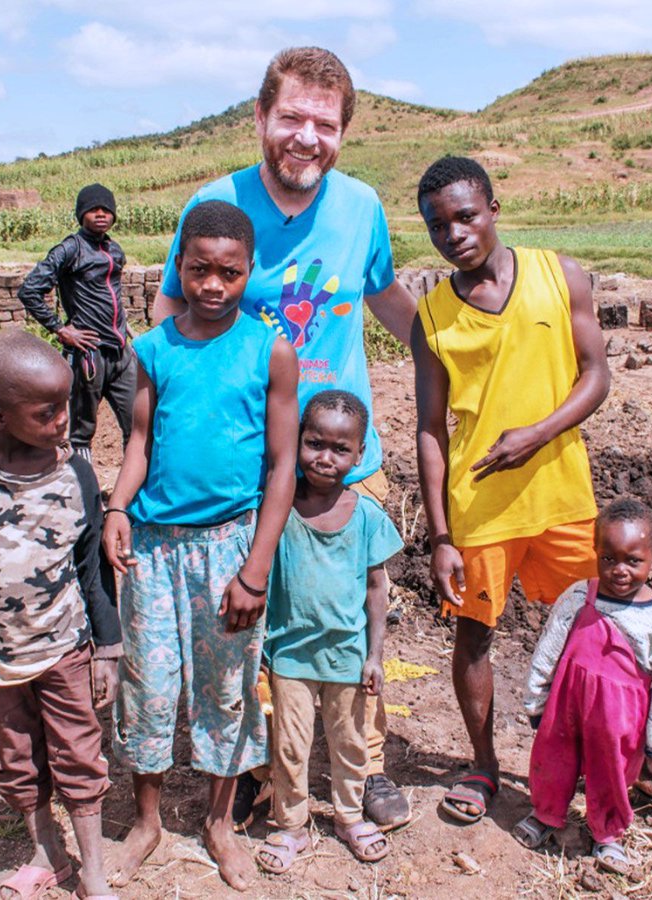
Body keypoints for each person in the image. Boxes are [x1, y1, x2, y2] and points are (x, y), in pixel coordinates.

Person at [152, 45, 418, 832]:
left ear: (344, 133)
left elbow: (386, 298)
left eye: (325, 124)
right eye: (293, 117)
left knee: (350, 614)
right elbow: (170, 315)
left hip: (345, 459)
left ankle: (363, 764)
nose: (308, 137)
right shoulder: (215, 204)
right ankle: (262, 767)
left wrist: (454, 357)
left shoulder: (361, 206)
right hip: (250, 461)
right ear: (260, 116)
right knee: (256, 619)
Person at [101, 200, 299, 892]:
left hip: (229, 548)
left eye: (229, 273)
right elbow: (139, 441)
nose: (213, 285)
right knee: (149, 687)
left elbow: (282, 466)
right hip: (154, 550)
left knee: (226, 687)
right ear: (179, 266)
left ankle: (219, 822)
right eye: (199, 270)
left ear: (250, 270)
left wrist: (256, 567)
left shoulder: (270, 351)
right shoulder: (154, 348)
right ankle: (146, 821)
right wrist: (118, 506)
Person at [412, 155, 611, 824]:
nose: (454, 233)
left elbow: (596, 375)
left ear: (493, 210)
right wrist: (441, 536)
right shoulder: (432, 317)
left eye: (466, 216)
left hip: (563, 495)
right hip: (481, 506)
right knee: (474, 636)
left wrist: (538, 432)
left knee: (595, 630)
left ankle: (603, 755)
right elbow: (430, 430)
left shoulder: (561, 276)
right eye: (438, 225)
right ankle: (483, 765)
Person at [0, 328, 120, 900]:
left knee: (80, 753)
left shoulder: (76, 473)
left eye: (66, 405)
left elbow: (91, 568)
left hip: (65, 646)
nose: (63, 421)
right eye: (45, 413)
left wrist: (108, 650)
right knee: (13, 760)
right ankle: (47, 852)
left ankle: (93, 872)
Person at [514, 498, 652, 874]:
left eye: (633, 561)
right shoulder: (579, 596)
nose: (619, 570)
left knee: (612, 776)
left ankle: (608, 834)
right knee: (552, 765)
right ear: (595, 552)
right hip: (566, 709)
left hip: (619, 723)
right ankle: (546, 814)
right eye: (608, 559)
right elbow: (548, 650)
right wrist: (536, 701)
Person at [256, 390, 403, 874]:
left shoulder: (366, 517)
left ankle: (349, 816)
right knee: (290, 746)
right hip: (290, 655)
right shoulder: (278, 508)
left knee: (351, 742)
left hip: (347, 656)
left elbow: (377, 589)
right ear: (298, 440)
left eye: (341, 449)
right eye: (315, 443)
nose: (325, 458)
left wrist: (375, 655)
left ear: (360, 455)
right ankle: (291, 824)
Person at [19, 183, 135, 460]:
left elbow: (111, 294)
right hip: (89, 354)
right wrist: (60, 329)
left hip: (120, 352)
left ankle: (137, 485)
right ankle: (84, 483)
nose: (101, 214)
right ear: (81, 214)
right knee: (82, 432)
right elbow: (30, 290)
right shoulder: (70, 249)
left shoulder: (114, 250)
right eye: (93, 209)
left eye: (106, 209)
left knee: (138, 422)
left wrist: (124, 326)